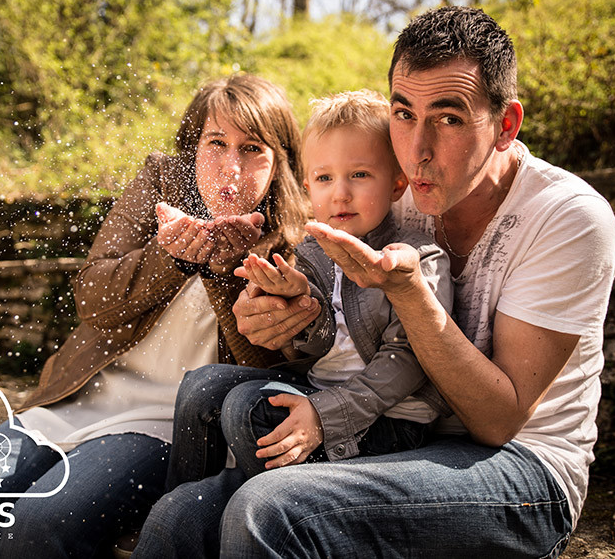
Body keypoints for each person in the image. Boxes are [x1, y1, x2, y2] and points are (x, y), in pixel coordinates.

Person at [132, 6, 615, 558]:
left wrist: (409, 296)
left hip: (520, 470)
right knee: (177, 515)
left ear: (505, 125)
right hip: (388, 421)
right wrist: (286, 315)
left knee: (267, 509)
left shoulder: (567, 217)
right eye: (404, 114)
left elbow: (499, 419)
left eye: (450, 117)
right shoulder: (391, 189)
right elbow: (331, 320)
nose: (417, 149)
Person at [0, 74, 311, 558]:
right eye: (216, 143)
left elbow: (267, 371)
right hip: (73, 403)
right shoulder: (161, 183)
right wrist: (170, 259)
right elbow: (93, 297)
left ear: (280, 164)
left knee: (39, 525)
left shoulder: (293, 243)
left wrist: (221, 273)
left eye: (253, 148)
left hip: (163, 429)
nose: (230, 167)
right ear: (193, 147)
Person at [165, 90, 453, 490]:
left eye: (359, 175)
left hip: (389, 420)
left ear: (397, 183)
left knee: (246, 411)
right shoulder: (313, 251)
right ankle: (189, 499)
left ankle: (269, 510)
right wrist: (299, 305)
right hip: (318, 390)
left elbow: (409, 362)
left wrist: (323, 412)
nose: (340, 193)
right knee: (201, 387)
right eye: (324, 178)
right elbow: (314, 349)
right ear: (307, 187)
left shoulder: (416, 258)